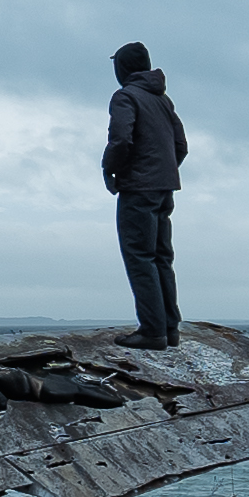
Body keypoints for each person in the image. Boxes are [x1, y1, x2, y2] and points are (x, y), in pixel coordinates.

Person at [100, 41, 187, 348]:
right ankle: (170, 328)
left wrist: (111, 170)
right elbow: (180, 146)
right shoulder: (162, 100)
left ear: (122, 68)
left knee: (140, 257)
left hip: (138, 189)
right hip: (164, 188)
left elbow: (121, 139)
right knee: (162, 257)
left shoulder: (125, 96)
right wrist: (163, 172)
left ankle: (152, 331)